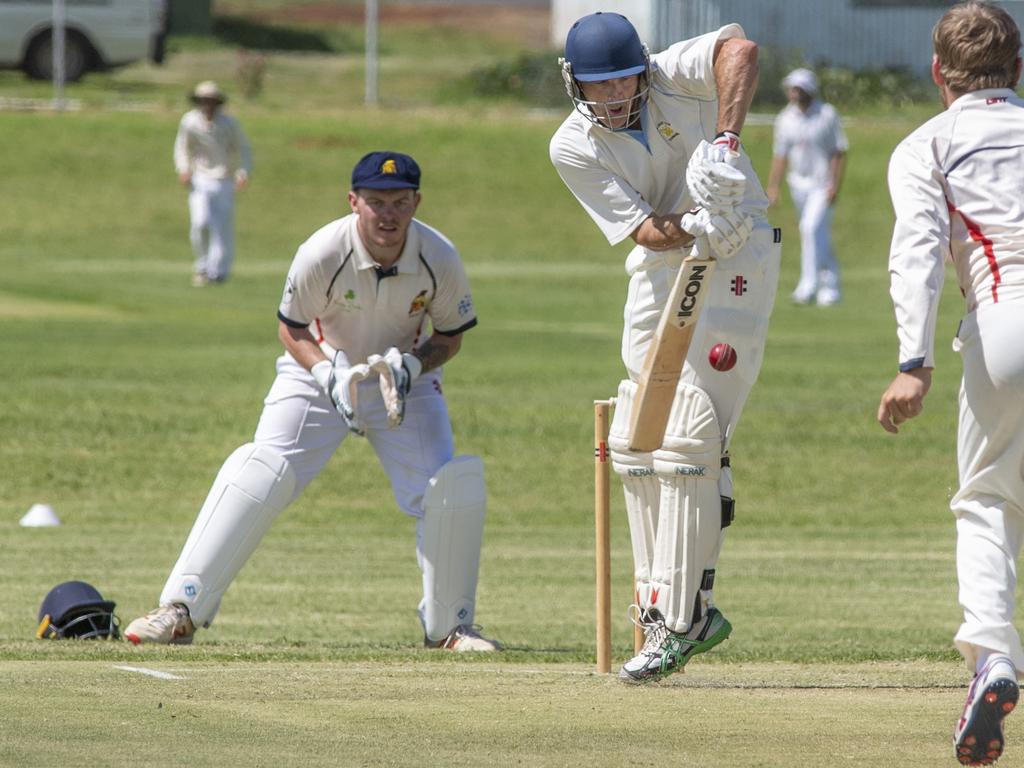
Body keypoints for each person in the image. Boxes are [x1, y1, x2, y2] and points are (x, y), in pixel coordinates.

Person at [126, 151, 501, 652]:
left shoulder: (439, 256)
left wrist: (411, 367)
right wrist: (327, 372)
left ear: (416, 203)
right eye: (375, 202)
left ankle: (451, 628)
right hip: (317, 374)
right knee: (262, 468)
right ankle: (180, 610)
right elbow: (292, 327)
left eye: (399, 202)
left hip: (400, 383)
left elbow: (450, 335)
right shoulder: (322, 251)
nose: (387, 215)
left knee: (444, 488)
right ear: (354, 202)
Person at [550, 12, 780, 683]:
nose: (615, 96)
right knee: (636, 431)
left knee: (687, 429)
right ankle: (658, 609)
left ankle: (685, 619)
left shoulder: (673, 72)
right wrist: (693, 221)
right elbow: (645, 230)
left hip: (739, 247)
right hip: (668, 259)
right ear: (576, 85)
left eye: (624, 79)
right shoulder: (572, 145)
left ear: (643, 69)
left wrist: (727, 146)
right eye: (599, 86)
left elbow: (742, 49)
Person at [876, 3, 1024, 764]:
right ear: (1019, 69)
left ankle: (994, 658)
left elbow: (919, 254)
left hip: (1004, 325)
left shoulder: (926, 144)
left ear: (938, 73)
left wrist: (914, 363)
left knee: (986, 499)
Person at [766, 68, 848, 306]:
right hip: (797, 184)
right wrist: (774, 186)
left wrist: (834, 184)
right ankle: (830, 286)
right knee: (817, 233)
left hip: (822, 184)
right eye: (792, 88)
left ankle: (807, 286)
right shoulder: (784, 119)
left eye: (799, 88)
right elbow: (780, 155)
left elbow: (838, 151)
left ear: (809, 90)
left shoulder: (827, 114)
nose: (794, 93)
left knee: (810, 229)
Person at [174, 81, 252, 287]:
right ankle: (202, 266)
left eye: (210, 101)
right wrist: (183, 169)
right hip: (200, 179)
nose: (207, 105)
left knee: (221, 228)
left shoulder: (229, 123)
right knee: (200, 223)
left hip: (224, 180)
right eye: (203, 101)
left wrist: (243, 172)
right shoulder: (189, 121)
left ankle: (219, 271)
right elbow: (182, 148)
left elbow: (243, 148)